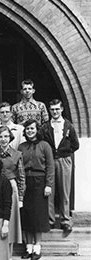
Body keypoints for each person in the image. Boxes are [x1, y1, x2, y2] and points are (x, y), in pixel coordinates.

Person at [39, 99, 79, 234]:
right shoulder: (45, 127)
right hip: (50, 161)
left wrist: (64, 152)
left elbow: (75, 145)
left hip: (64, 160)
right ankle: (50, 220)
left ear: (61, 109)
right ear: (49, 111)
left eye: (57, 109)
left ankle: (65, 220)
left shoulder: (68, 126)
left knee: (64, 191)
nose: (55, 112)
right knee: (49, 190)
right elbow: (42, 143)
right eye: (52, 109)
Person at [0, 126, 25, 260]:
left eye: (6, 136)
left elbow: (21, 176)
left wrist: (21, 196)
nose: (3, 139)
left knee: (9, 225)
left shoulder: (17, 154)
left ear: (10, 137)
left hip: (11, 186)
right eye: (0, 137)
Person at [18, 120, 54, 260]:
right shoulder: (22, 147)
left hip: (40, 182)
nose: (30, 131)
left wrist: (48, 184)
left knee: (37, 216)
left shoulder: (45, 146)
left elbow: (50, 167)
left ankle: (37, 247)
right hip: (25, 181)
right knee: (26, 215)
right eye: (27, 129)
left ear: (37, 129)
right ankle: (28, 247)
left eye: (32, 128)